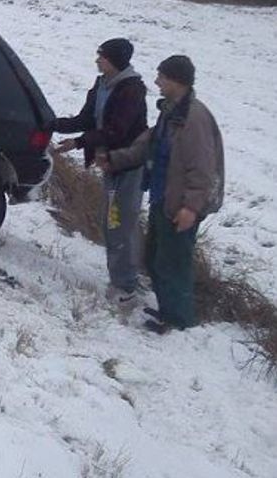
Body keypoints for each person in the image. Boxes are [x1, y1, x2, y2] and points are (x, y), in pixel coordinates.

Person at [101, 55, 224, 333]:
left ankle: (180, 322)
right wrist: (117, 158)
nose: (156, 81)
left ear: (176, 80)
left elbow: (202, 169)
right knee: (156, 257)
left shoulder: (194, 118)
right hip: (163, 199)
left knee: (174, 263)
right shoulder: (172, 111)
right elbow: (149, 144)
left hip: (180, 206)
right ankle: (168, 311)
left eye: (162, 76)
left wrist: (191, 208)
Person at [50, 38, 148, 300]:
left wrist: (80, 142)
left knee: (120, 224)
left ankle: (126, 286)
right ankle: (123, 278)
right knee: (112, 222)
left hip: (128, 166)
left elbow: (117, 130)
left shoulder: (132, 90)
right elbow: (87, 119)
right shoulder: (101, 84)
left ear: (115, 60)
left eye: (101, 57)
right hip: (110, 165)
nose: (97, 60)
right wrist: (52, 123)